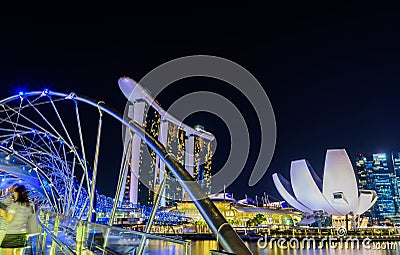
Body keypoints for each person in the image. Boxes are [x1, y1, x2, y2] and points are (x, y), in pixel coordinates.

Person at [0, 185, 33, 255]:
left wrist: (4, 213)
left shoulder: (8, 201)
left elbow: (8, 218)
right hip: (22, 232)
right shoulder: (29, 203)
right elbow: (30, 218)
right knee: (18, 252)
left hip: (9, 231)